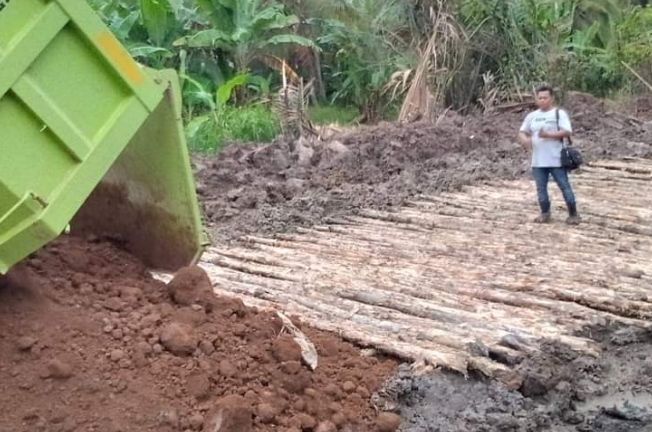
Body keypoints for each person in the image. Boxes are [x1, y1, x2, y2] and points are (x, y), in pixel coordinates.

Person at [518, 85, 581, 225]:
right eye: (540, 98)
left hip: (556, 159)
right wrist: (525, 140)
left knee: (564, 186)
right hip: (538, 161)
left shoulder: (559, 114)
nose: (542, 100)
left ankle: (573, 214)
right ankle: (545, 213)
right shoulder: (532, 116)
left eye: (545, 98)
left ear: (551, 98)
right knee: (541, 189)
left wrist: (548, 135)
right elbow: (522, 131)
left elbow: (567, 131)